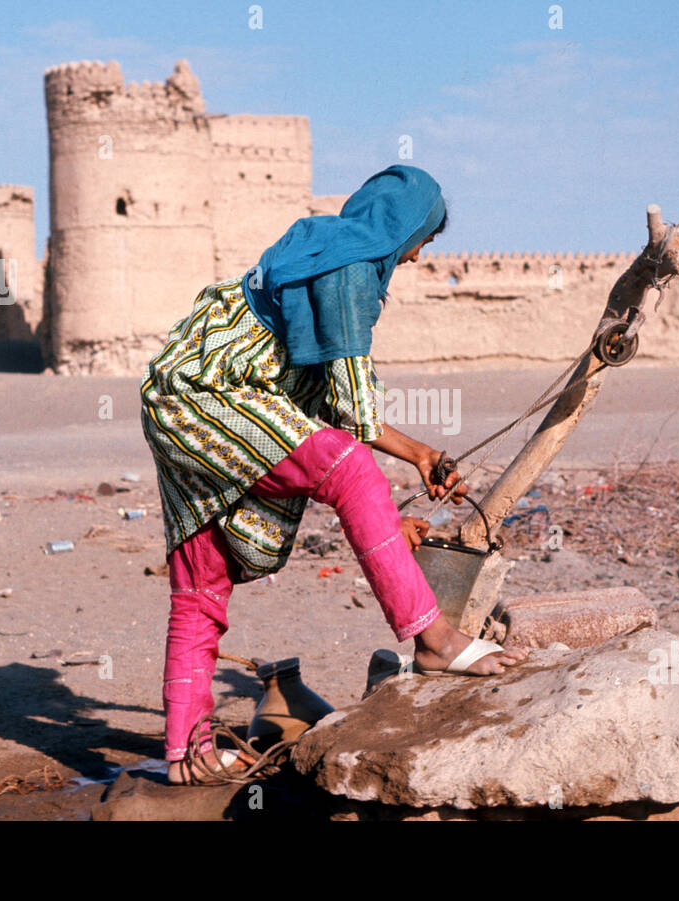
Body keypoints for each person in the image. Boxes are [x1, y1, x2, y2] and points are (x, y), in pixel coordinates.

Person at [139, 164, 528, 785]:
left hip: (176, 399)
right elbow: (351, 409)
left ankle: (187, 753)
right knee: (352, 471)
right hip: (208, 396)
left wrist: (419, 458)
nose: (419, 257)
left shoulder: (321, 253)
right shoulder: (346, 267)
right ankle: (432, 639)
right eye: (423, 241)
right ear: (403, 229)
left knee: (201, 581)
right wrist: (404, 463)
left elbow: (331, 406)